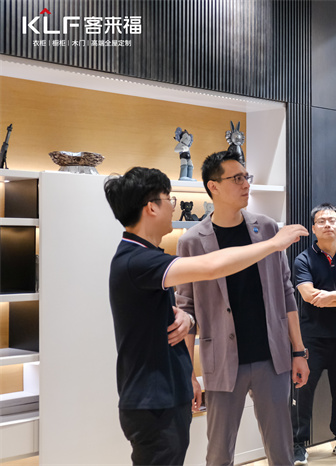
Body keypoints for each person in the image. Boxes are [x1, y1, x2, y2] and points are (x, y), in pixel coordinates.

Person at [104, 166, 307, 466]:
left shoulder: (145, 256)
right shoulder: (138, 259)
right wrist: (273, 244)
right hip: (154, 399)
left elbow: (179, 311)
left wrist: (187, 320)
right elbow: (212, 267)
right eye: (169, 199)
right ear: (151, 207)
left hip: (165, 395)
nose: (173, 205)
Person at [175, 151, 310, 465]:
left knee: (281, 452)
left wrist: (299, 351)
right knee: (219, 454)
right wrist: (188, 373)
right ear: (214, 187)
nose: (245, 184)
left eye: (246, 177)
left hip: (272, 358)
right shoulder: (192, 242)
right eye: (236, 178)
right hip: (222, 362)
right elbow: (187, 310)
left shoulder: (268, 229)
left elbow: (287, 294)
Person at [292, 203, 336, 465]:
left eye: (332, 220)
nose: (327, 225)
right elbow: (308, 295)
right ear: (313, 228)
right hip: (312, 337)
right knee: (303, 391)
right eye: (321, 221)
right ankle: (297, 443)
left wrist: (329, 298)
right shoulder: (303, 259)